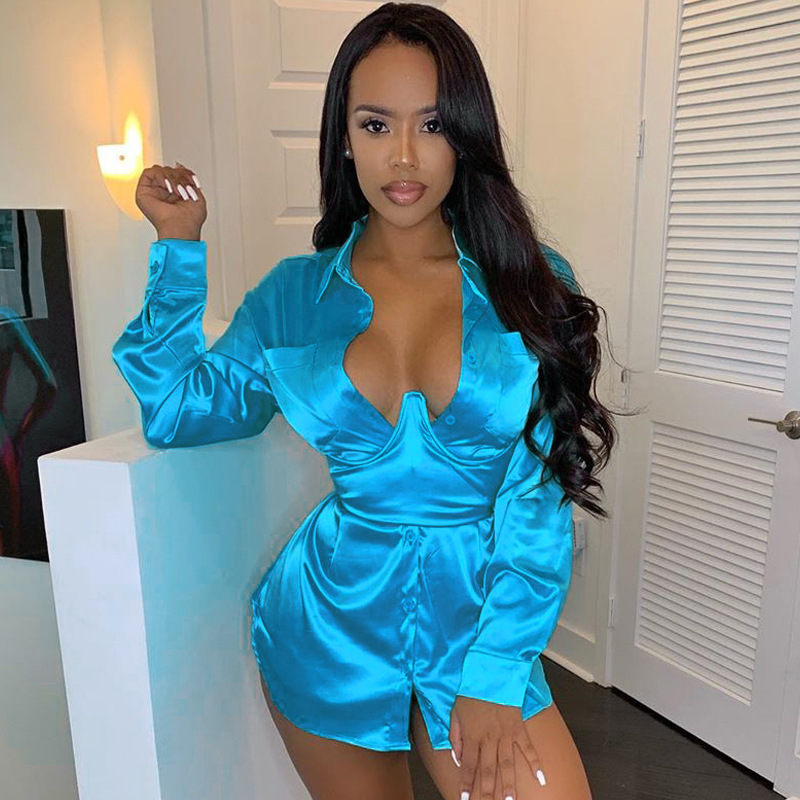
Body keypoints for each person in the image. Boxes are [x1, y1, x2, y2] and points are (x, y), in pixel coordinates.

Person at [112, 4, 617, 798]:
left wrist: (494, 672)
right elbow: (178, 409)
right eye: (376, 124)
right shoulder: (292, 297)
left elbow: (539, 494)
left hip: (478, 624)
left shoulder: (526, 283)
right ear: (344, 137)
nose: (404, 155)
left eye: (433, 125)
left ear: (466, 137)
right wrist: (177, 246)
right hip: (328, 629)